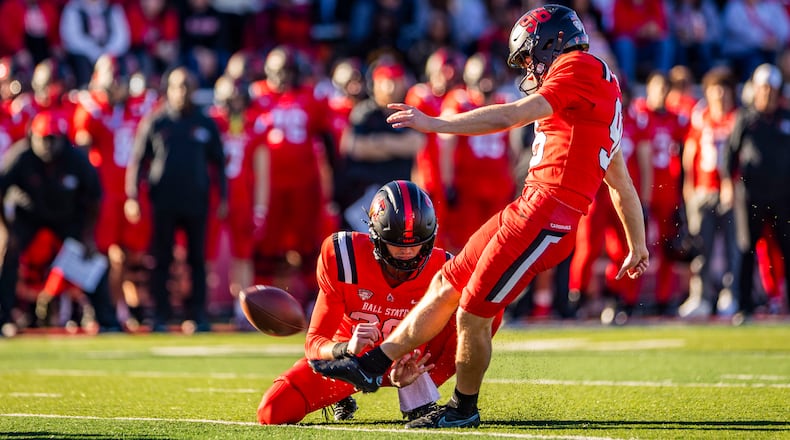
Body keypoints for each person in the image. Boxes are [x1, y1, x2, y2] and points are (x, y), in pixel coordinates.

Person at [309, 4, 649, 429]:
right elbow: (620, 182)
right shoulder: (598, 88)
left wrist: (435, 124)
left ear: (555, 43)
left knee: (472, 312)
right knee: (447, 281)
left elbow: (510, 115)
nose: (530, 67)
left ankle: (463, 408)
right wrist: (638, 242)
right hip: (531, 205)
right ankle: (372, 364)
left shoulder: (578, 67)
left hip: (549, 213)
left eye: (531, 56)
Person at [257, 180, 502, 424]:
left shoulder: (443, 267)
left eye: (416, 244)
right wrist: (344, 350)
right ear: (376, 236)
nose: (407, 253)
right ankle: (342, 392)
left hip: (412, 362)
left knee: (483, 304)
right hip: (353, 364)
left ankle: (422, 397)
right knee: (273, 410)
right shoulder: (344, 257)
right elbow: (314, 343)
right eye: (396, 244)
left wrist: (427, 374)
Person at [124, 66, 227, 332]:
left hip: (196, 201)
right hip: (164, 201)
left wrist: (223, 197)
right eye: (177, 87)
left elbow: (219, 164)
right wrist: (132, 196)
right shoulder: (157, 121)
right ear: (168, 90)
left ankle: (197, 314)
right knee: (161, 258)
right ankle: (160, 314)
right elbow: (138, 160)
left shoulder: (205, 123)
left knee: (197, 259)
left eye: (187, 87)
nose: (182, 92)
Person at [0, 110, 121, 335]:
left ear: (62, 139)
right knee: (7, 251)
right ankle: (2, 317)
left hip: (66, 216)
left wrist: (87, 236)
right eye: (43, 139)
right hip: (28, 215)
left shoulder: (76, 159)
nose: (47, 145)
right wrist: (6, 230)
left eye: (52, 139)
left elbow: (94, 198)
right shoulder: (20, 156)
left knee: (90, 257)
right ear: (33, 138)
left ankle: (107, 319)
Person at [721, 63, 790, 319]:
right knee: (746, 248)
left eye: (772, 89)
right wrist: (727, 184)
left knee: (787, 248)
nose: (768, 94)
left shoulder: (786, 118)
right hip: (750, 195)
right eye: (763, 88)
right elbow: (730, 154)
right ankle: (744, 306)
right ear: (755, 90)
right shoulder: (746, 118)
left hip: (784, 195)